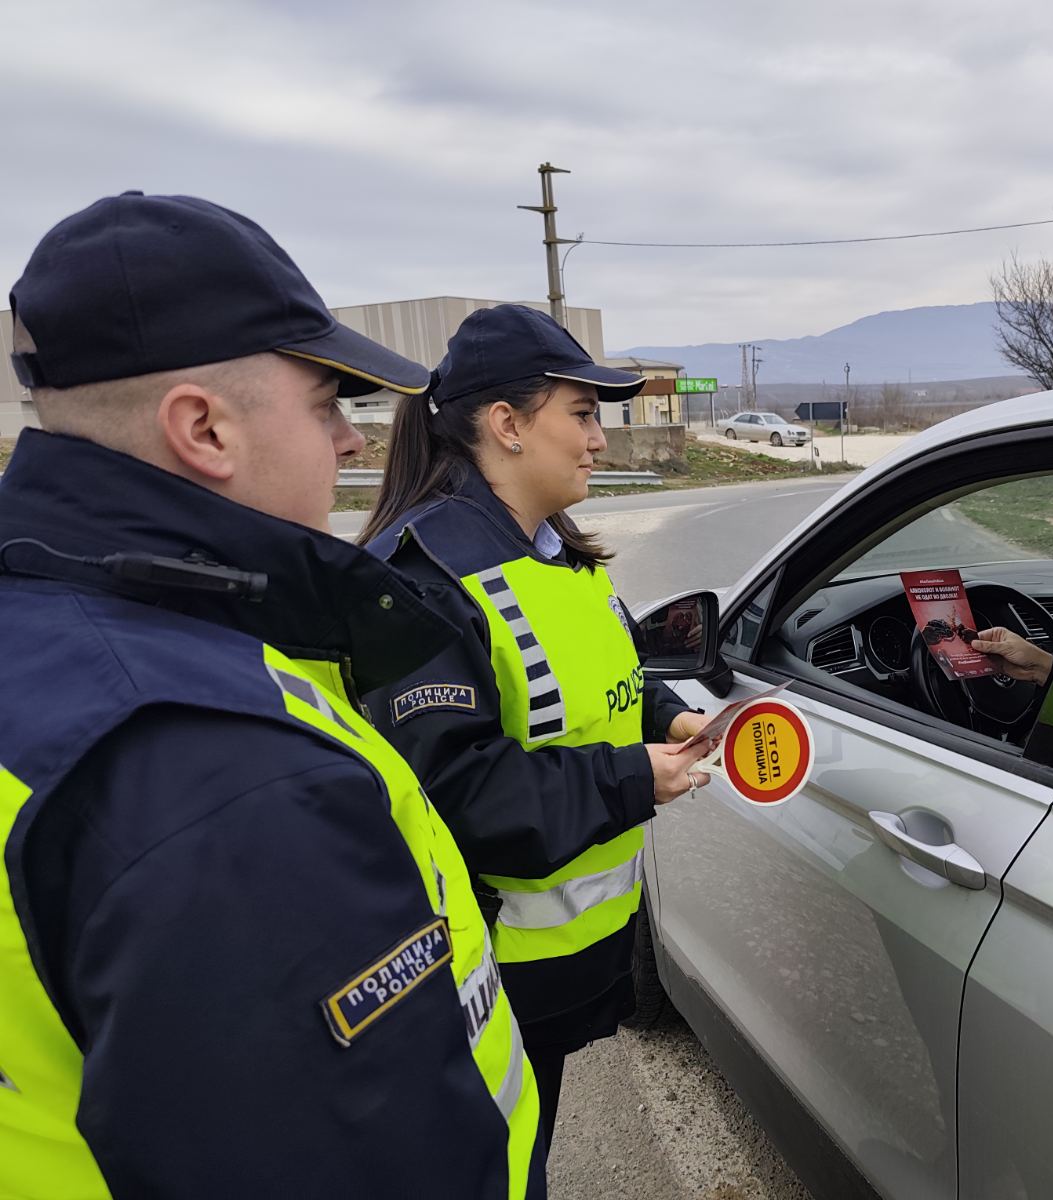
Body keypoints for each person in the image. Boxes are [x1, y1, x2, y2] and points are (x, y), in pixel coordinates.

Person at [0, 193, 543, 1197]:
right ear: (204, 428)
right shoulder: (222, 776)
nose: (349, 443)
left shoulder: (53, 631)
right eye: (325, 404)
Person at [357, 304, 709, 1156]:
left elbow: (600, 679)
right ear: (506, 425)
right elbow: (459, 793)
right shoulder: (426, 582)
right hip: (479, 983)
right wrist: (635, 777)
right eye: (582, 414)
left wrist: (672, 715)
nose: (599, 439)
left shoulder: (557, 553)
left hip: (558, 972)